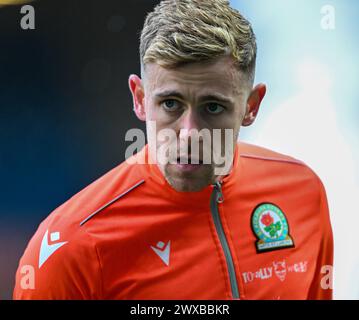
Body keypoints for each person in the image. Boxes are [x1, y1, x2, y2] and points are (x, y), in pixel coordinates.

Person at [14, 0, 333, 300]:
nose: (190, 133)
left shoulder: (303, 193)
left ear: (251, 106)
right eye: (170, 103)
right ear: (139, 98)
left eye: (212, 107)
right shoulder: (71, 246)